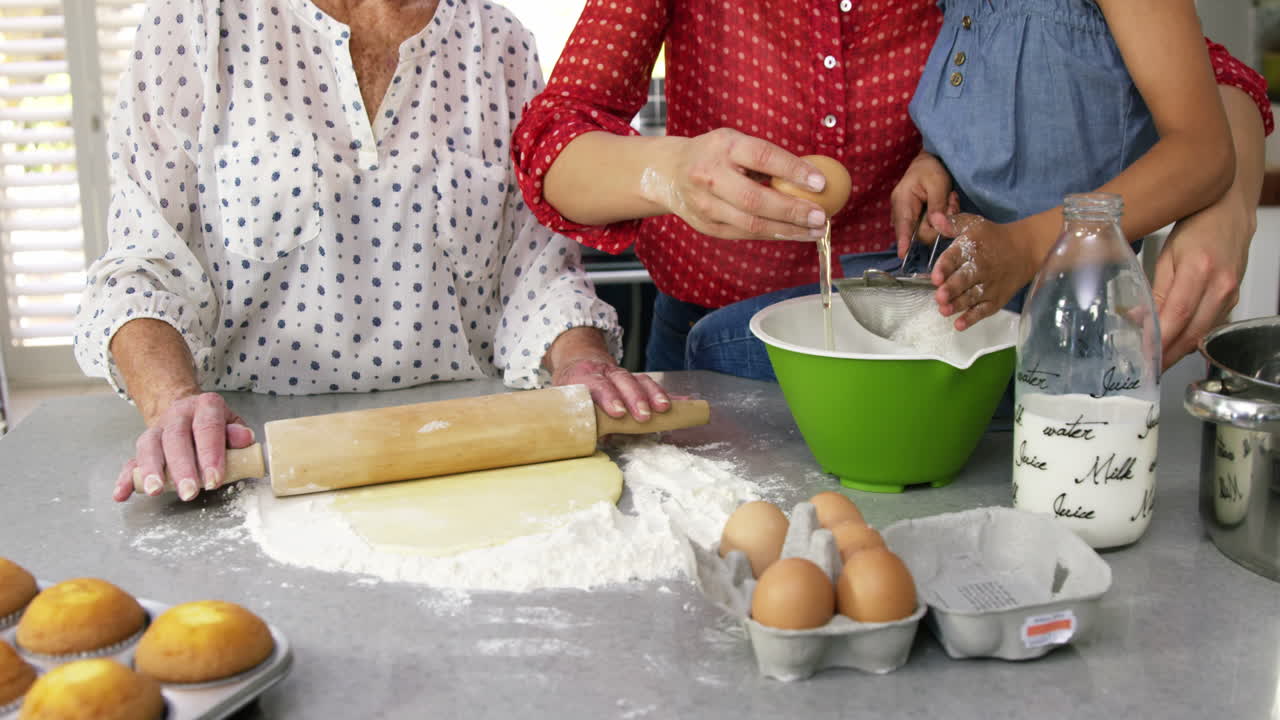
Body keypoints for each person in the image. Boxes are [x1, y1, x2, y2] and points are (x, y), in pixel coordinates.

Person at [72, 0, 669, 504]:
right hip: (252, 458)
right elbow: (142, 263)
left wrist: (579, 360)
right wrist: (172, 403)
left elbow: (535, 270)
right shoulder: (202, 22)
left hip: (462, 451)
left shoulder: (497, 40)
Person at [511, 0, 1272, 380]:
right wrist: (671, 175)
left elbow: (1193, 75)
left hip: (921, 350)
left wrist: (1225, 206)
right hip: (714, 352)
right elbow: (553, 144)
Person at [892, 0, 1265, 375]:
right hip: (960, 339)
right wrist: (934, 159)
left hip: (1077, 338)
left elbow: (1204, 152)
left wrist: (1027, 246)